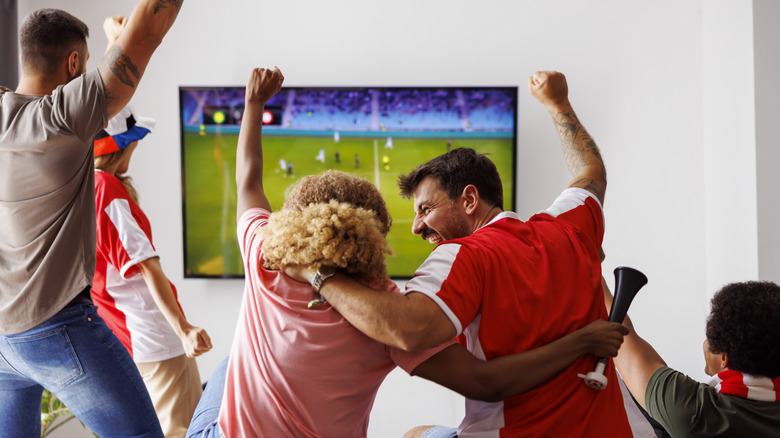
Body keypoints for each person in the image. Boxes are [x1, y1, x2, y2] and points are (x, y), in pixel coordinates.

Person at [185, 67, 629, 438]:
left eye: (425, 209)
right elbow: (591, 170)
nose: (416, 227)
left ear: (469, 200)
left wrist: (254, 103)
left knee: (232, 363)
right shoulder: (569, 225)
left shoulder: (267, 255)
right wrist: (558, 103)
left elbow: (248, 181)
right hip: (608, 425)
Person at [0, 3, 183, 437]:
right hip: (56, 329)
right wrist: (119, 38)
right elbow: (148, 30)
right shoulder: (62, 118)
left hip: (4, 341)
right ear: (73, 63)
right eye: (82, 66)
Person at [93, 99, 212, 436]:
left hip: (126, 336)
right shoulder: (106, 189)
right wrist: (183, 329)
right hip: (153, 336)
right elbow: (148, 267)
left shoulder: (81, 187)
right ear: (121, 146)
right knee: (180, 431)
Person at [606, 279, 780, 437]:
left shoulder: (698, 413)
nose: (705, 343)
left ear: (724, 359)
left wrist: (593, 267)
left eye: (709, 338)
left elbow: (622, 340)